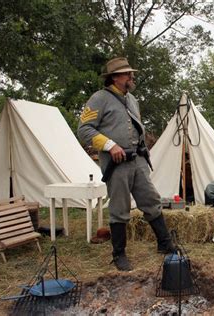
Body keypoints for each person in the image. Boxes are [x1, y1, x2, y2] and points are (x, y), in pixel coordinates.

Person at [78, 57, 175, 271]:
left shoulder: (132, 99)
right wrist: (110, 145)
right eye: (127, 73)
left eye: (130, 73)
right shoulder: (99, 99)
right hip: (117, 163)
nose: (132, 76)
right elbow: (84, 130)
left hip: (137, 159)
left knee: (151, 200)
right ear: (115, 77)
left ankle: (165, 243)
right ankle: (119, 254)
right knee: (120, 208)